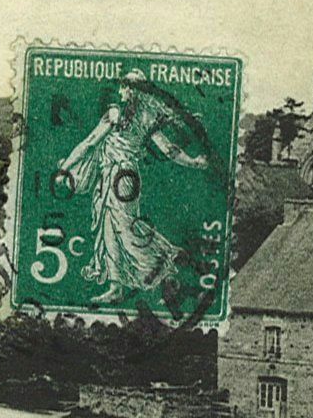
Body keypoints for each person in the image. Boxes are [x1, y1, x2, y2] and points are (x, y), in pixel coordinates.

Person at [56, 69, 209, 304]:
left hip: (118, 175)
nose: (121, 91)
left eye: (125, 87)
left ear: (133, 90)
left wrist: (65, 168)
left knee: (122, 228)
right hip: (126, 176)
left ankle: (167, 259)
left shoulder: (115, 113)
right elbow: (169, 150)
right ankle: (122, 284)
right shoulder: (149, 118)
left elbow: (89, 143)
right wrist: (194, 162)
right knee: (116, 227)